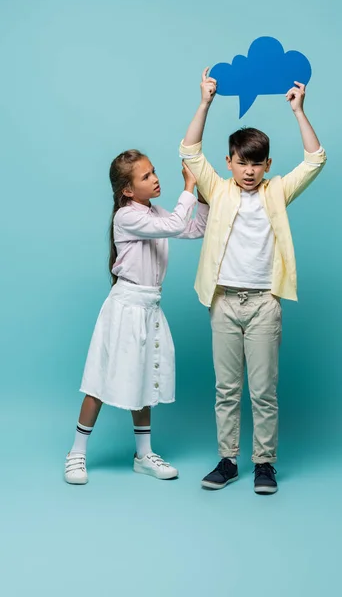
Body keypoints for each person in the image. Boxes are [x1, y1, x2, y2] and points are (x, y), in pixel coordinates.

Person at [180, 68, 327, 494]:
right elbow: (189, 151)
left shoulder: (276, 191)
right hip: (223, 301)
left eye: (256, 162)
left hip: (264, 303)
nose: (248, 170)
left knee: (263, 391)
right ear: (229, 163)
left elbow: (316, 160)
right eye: (241, 162)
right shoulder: (219, 189)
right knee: (227, 389)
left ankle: (264, 463)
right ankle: (228, 461)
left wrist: (299, 112)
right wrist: (205, 101)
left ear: (267, 164)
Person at [64, 149, 208, 485]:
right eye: (146, 176)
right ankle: (76, 453)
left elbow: (194, 228)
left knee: (144, 378)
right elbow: (175, 224)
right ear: (128, 190)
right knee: (99, 380)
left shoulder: (154, 213)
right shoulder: (126, 217)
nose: (156, 178)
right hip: (125, 306)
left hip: (149, 307)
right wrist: (189, 186)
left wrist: (201, 197)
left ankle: (143, 455)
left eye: (154, 171)